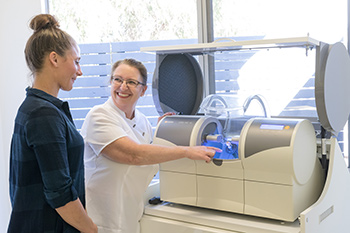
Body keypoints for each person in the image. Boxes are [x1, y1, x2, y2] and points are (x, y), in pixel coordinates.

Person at [81, 58, 219, 233]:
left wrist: (162, 132)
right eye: (117, 79)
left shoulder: (142, 121)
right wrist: (186, 151)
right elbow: (134, 156)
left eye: (131, 82)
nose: (123, 87)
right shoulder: (99, 116)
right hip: (102, 223)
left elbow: (149, 160)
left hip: (130, 219)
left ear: (143, 90)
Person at [8, 14, 97, 233]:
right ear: (54, 59)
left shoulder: (34, 107)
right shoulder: (43, 115)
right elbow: (60, 195)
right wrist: (92, 229)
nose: (79, 71)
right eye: (76, 61)